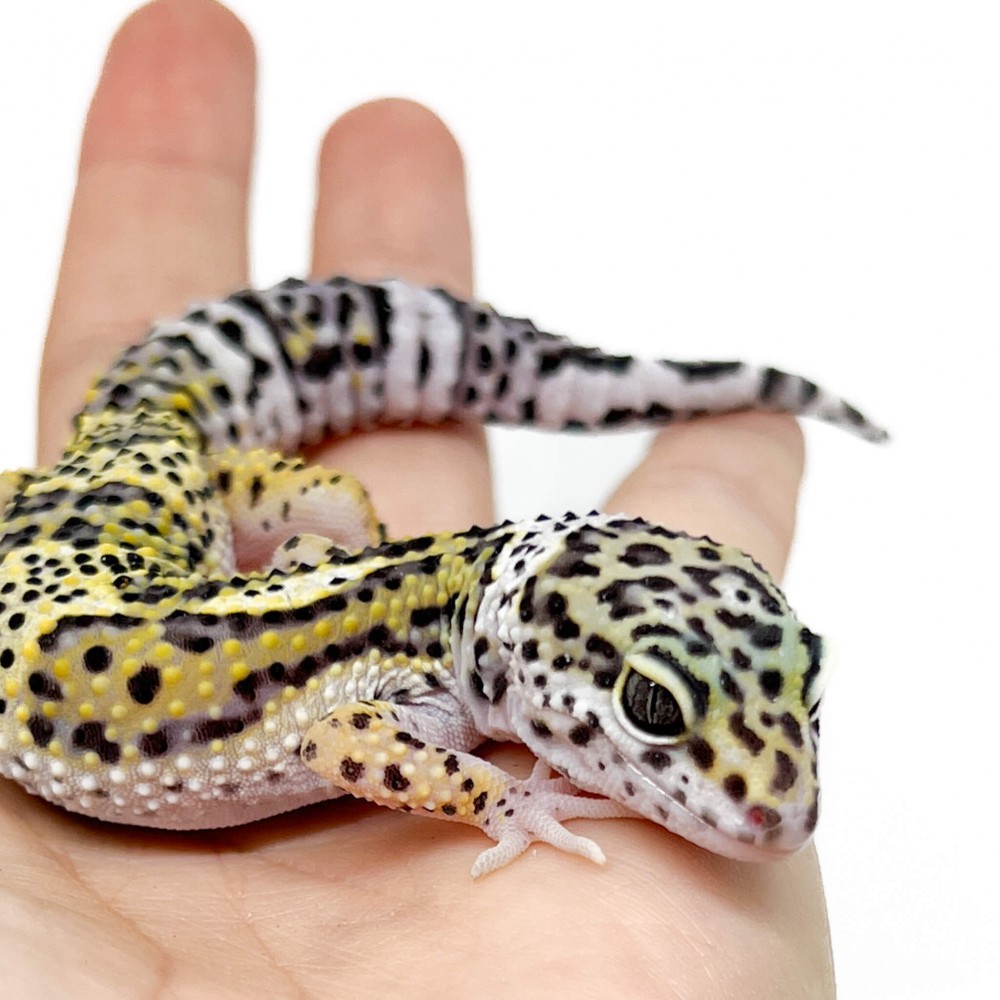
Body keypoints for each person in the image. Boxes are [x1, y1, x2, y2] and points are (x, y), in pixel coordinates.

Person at [6, 1, 834, 994]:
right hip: (107, 547)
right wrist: (496, 801)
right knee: (332, 512)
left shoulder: (421, 641)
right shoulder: (407, 696)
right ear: (523, 656)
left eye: (804, 689)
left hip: (109, 533)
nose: (775, 802)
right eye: (654, 707)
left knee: (333, 515)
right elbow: (340, 737)